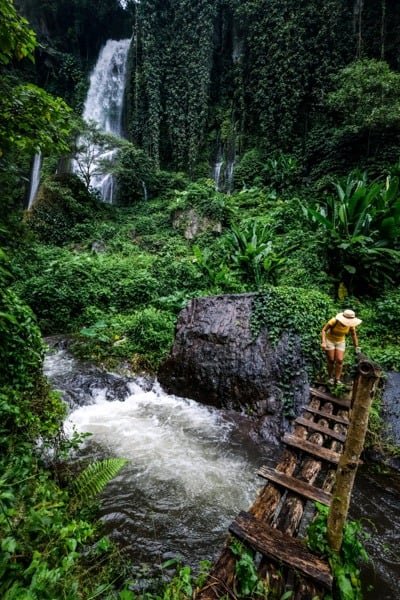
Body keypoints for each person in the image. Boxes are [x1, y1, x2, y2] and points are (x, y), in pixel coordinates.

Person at [321, 309, 362, 384]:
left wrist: (356, 346)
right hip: (330, 340)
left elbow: (353, 334)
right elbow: (324, 330)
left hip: (340, 341)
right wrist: (323, 342)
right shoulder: (334, 321)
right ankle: (330, 377)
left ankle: (337, 379)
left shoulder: (350, 325)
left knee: (339, 360)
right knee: (331, 360)